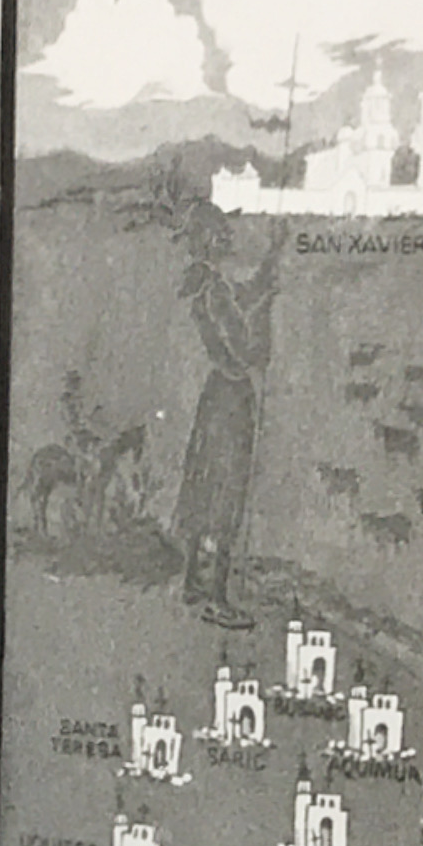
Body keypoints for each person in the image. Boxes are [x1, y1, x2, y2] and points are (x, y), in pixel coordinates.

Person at [170, 204, 282, 631]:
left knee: (203, 482)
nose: (229, 240)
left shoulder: (203, 284)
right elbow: (247, 349)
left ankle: (189, 582)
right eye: (222, 234)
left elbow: (238, 302)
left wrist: (269, 266)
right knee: (227, 492)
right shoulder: (214, 289)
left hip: (215, 394)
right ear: (211, 240)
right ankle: (217, 597)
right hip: (233, 395)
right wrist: (266, 315)